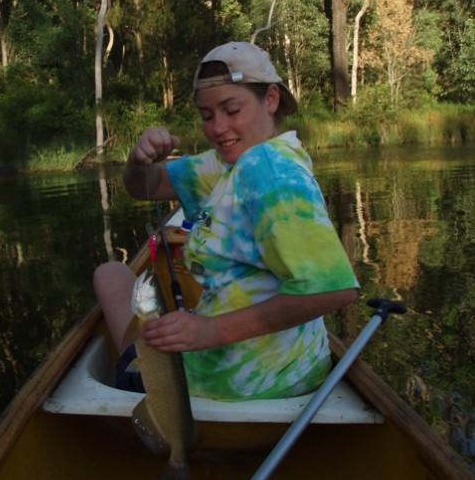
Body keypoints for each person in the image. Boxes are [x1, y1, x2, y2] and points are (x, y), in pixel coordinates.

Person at [94, 41, 359, 401]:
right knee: (110, 274)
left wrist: (211, 330)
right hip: (292, 368)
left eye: (231, 110)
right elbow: (147, 186)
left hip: (240, 386)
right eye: (206, 115)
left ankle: (137, 374)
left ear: (270, 99)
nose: (218, 128)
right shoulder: (228, 161)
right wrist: (137, 161)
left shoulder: (269, 171)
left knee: (110, 278)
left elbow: (334, 289)